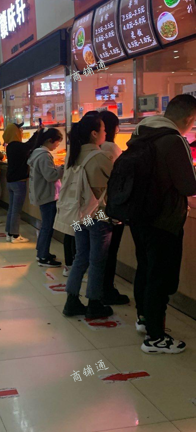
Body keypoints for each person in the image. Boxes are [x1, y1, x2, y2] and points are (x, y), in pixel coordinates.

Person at [125, 95, 196, 354]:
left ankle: (144, 319)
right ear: (189, 118)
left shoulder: (141, 134)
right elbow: (188, 186)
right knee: (161, 278)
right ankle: (155, 338)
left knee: (145, 269)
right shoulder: (174, 140)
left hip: (139, 216)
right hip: (164, 221)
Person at [57, 113, 114, 319]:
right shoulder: (100, 157)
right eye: (103, 129)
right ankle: (94, 303)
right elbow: (115, 183)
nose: (105, 133)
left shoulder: (73, 155)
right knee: (97, 259)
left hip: (79, 215)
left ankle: (71, 300)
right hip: (97, 215)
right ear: (94, 133)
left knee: (81, 255)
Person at [98, 110, 129, 306]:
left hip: (95, 209)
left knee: (100, 251)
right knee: (109, 251)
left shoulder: (94, 148)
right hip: (110, 209)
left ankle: (100, 289)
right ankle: (106, 290)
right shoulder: (111, 148)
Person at [28, 128, 64, 263]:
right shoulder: (44, 155)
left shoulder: (37, 153)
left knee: (46, 225)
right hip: (47, 196)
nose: (57, 146)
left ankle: (42, 251)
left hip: (42, 194)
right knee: (47, 226)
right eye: (57, 143)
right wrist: (63, 168)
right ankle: (43, 255)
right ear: (50, 140)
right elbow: (51, 176)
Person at [3, 122, 39, 243]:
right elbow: (29, 145)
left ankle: (9, 232)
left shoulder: (10, 146)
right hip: (19, 182)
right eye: (20, 130)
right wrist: (38, 133)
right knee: (17, 210)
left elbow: (27, 146)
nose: (21, 132)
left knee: (11, 209)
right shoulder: (17, 146)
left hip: (10, 181)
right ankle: (15, 235)